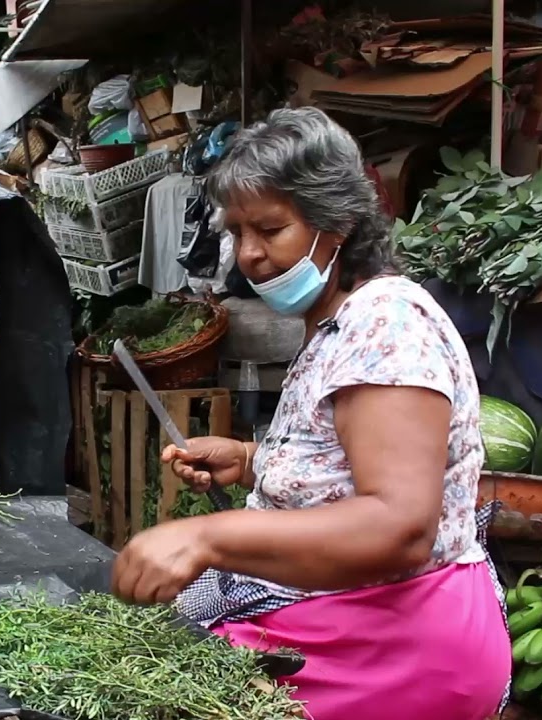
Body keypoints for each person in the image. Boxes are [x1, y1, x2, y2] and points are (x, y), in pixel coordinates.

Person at [109, 108, 511, 720]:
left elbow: (399, 525)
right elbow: (343, 468)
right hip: (346, 623)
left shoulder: (388, 327)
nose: (248, 254)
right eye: (237, 232)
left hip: (393, 647)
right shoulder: (334, 324)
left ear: (339, 222)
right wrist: (249, 462)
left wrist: (205, 535)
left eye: (270, 229)